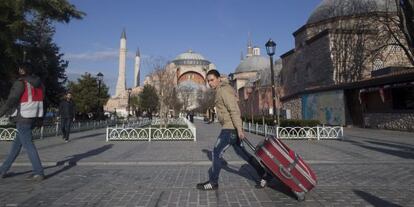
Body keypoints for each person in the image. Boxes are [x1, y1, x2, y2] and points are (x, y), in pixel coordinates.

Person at [196, 69, 268, 191]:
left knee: (216, 153)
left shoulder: (223, 91)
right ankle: (264, 175)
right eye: (208, 81)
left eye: (212, 80)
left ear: (218, 79)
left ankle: (213, 182)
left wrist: (239, 129)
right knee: (243, 153)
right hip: (231, 128)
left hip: (229, 129)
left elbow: (234, 110)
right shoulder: (221, 90)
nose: (210, 83)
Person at [0, 63, 45, 181]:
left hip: (23, 117)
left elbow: (12, 100)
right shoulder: (39, 84)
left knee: (29, 145)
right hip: (33, 116)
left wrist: (1, 112)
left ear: (23, 71)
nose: (19, 70)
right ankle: (3, 170)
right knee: (16, 147)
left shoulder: (21, 82)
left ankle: (39, 172)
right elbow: (43, 101)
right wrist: (40, 119)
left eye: (20, 68)